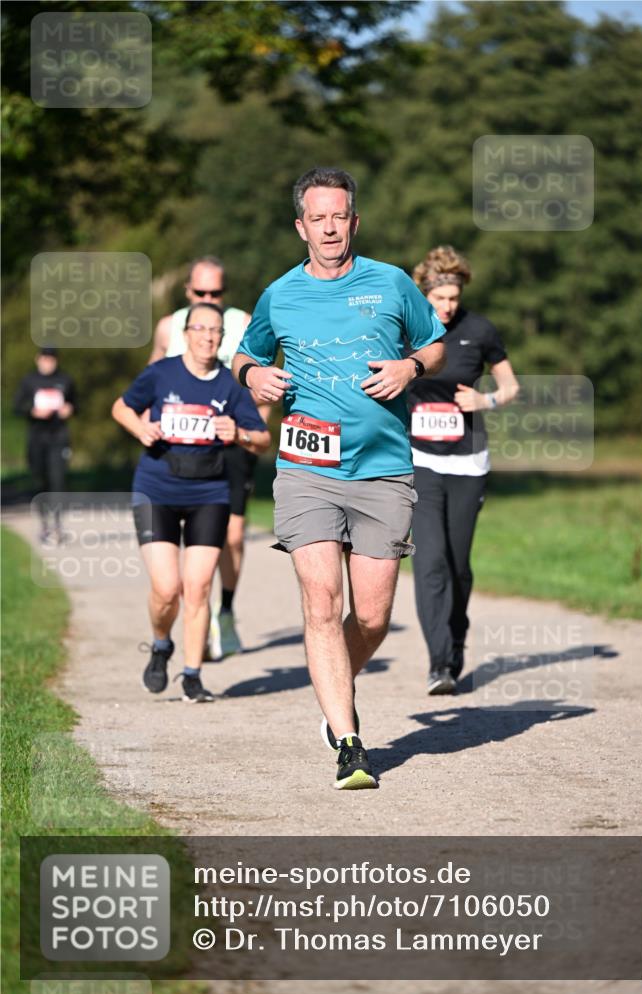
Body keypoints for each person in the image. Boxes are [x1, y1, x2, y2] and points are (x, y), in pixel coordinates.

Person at [232, 167, 446, 789]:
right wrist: (253, 377)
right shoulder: (281, 294)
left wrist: (410, 367)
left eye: (340, 216)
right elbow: (247, 353)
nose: (330, 227)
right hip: (306, 469)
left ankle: (334, 689)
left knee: (372, 616)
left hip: (383, 469)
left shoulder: (392, 283)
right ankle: (348, 739)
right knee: (321, 601)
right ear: (301, 226)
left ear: (355, 220)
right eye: (318, 218)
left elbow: (435, 346)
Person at [112, 302, 270, 703]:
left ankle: (193, 674)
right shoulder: (160, 374)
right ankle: (162, 642)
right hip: (157, 490)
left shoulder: (231, 386)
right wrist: (140, 428)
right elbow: (121, 407)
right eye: (200, 328)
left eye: (216, 330)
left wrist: (238, 433)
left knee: (197, 588)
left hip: (209, 493)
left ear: (222, 337)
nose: (208, 336)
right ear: (186, 333)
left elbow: (263, 438)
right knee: (167, 589)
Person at [408, 246, 519, 695]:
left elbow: (510, 386)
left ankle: (455, 642)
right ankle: (439, 665)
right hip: (419, 459)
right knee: (429, 560)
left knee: (458, 565)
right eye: (440, 298)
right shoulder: (407, 330)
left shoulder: (480, 330)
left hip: (468, 460)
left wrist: (485, 400)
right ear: (426, 294)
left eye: (454, 297)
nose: (448, 305)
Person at [150, 255, 268, 661]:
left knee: (233, 536)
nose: (208, 299)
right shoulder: (169, 326)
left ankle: (228, 611)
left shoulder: (244, 321)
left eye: (215, 292)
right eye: (200, 292)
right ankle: (191, 618)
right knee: (185, 546)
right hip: (180, 443)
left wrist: (256, 420)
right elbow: (153, 377)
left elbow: (261, 374)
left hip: (232, 439)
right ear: (187, 292)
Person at [13, 347, 77, 544]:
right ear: (38, 360)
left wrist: (70, 409)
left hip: (58, 438)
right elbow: (16, 407)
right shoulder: (29, 381)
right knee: (40, 481)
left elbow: (76, 404)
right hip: (36, 438)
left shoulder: (66, 380)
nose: (48, 362)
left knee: (57, 482)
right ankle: (44, 525)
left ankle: (57, 526)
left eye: (52, 359)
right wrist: (32, 411)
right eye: (45, 359)